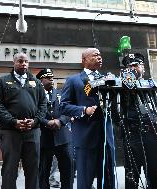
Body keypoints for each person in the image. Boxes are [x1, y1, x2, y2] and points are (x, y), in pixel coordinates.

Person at [60, 48, 116, 189]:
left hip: (106, 138)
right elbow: (63, 106)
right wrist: (84, 110)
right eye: (95, 55)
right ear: (84, 60)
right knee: (85, 181)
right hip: (85, 137)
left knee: (108, 180)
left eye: (100, 55)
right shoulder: (74, 80)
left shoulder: (107, 79)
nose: (99, 57)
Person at [0, 52, 47, 189]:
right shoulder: (3, 81)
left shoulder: (36, 82)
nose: (24, 64)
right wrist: (13, 121)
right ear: (14, 63)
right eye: (20, 61)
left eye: (26, 62)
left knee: (33, 170)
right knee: (10, 170)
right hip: (11, 132)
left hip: (33, 132)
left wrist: (35, 121)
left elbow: (43, 105)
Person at [114, 53, 157, 189]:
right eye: (129, 66)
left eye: (136, 65)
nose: (133, 68)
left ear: (143, 67)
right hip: (132, 136)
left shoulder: (153, 87)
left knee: (156, 176)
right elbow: (115, 114)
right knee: (132, 178)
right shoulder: (120, 89)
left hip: (153, 136)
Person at [36, 68, 73, 189]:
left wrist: (60, 121)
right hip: (44, 137)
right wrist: (46, 122)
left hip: (62, 137)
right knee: (43, 172)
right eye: (48, 78)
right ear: (41, 80)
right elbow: (34, 112)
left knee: (67, 170)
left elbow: (68, 110)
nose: (51, 80)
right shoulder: (35, 95)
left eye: (52, 77)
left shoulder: (61, 94)